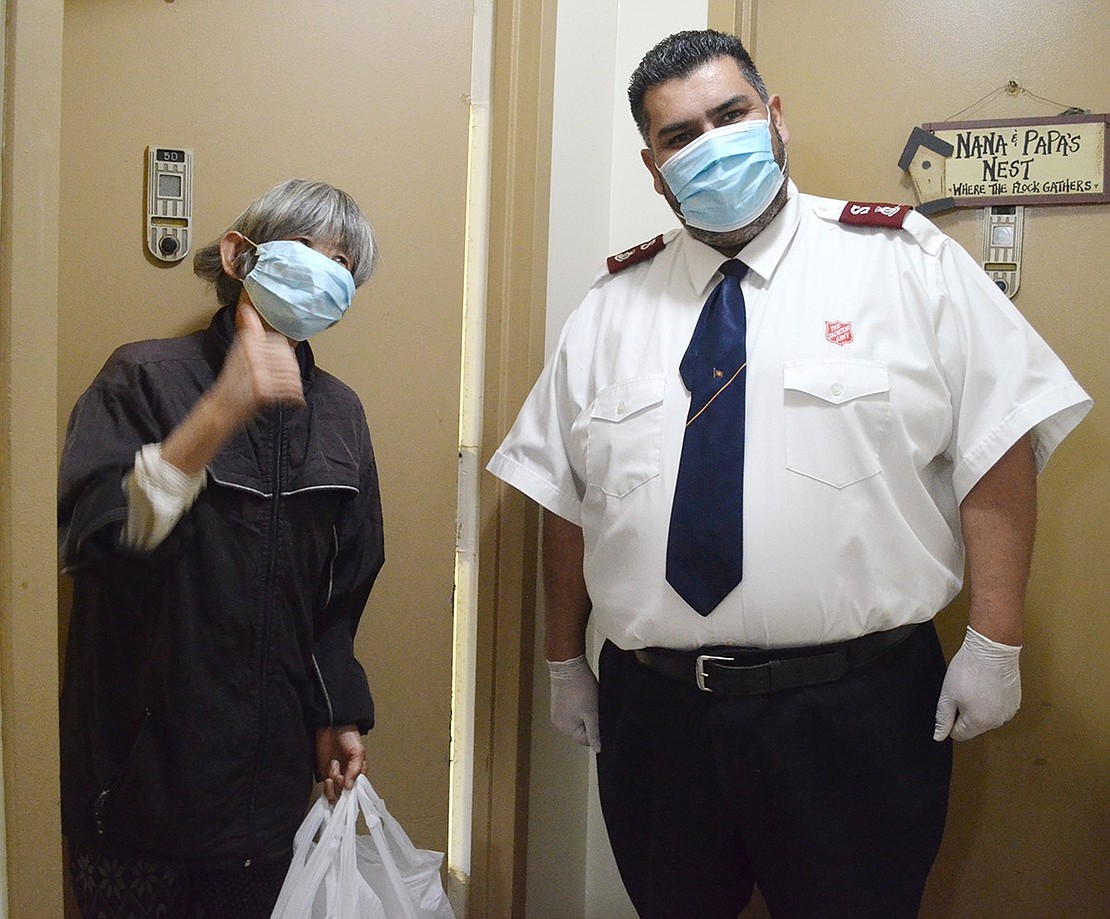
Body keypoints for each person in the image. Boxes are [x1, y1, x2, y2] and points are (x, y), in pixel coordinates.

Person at [488, 29, 1092, 919]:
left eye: (729, 114)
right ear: (654, 168)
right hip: (657, 715)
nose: (711, 143)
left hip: (854, 712)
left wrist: (995, 643)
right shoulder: (609, 308)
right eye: (680, 135)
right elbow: (567, 495)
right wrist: (561, 661)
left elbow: (996, 446)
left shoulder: (904, 263)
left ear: (775, 119)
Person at [59, 178, 384, 918]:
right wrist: (219, 413)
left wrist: (338, 711)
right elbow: (94, 546)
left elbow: (343, 589)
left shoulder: (339, 414)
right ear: (240, 255)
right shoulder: (141, 377)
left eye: (344, 263)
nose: (327, 270)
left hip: (268, 803)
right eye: (307, 248)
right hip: (137, 794)